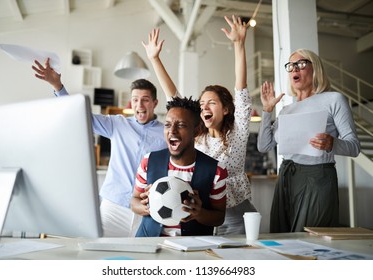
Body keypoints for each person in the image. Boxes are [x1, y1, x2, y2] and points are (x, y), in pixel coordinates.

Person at [141, 15, 256, 235]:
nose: (205, 107)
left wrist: (239, 44)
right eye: (202, 103)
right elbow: (174, 97)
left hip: (236, 218)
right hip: (203, 218)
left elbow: (241, 91)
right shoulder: (197, 137)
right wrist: (155, 59)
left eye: (212, 103)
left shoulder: (237, 133)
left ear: (226, 109)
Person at [32, 59, 167, 237]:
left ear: (155, 103)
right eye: (135, 100)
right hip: (114, 208)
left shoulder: (165, 133)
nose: (139, 106)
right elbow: (80, 114)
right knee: (97, 252)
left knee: (140, 260)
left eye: (145, 100)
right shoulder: (117, 124)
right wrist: (58, 86)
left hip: (147, 209)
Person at [257, 49, 361, 233]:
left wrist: (332, 143)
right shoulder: (286, 110)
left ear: (316, 69)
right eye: (291, 66)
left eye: (301, 64)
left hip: (318, 178)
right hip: (287, 178)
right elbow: (264, 146)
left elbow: (354, 147)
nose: (295, 69)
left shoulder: (333, 99)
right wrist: (267, 111)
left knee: (309, 239)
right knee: (282, 239)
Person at [131, 96, 228, 237]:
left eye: (181, 125)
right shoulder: (149, 161)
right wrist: (146, 205)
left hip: (193, 248)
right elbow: (134, 200)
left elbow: (219, 217)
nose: (172, 131)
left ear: (195, 131)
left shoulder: (216, 171)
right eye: (168, 125)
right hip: (149, 243)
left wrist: (199, 213)